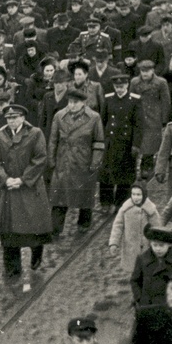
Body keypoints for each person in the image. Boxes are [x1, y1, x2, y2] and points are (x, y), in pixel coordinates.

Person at [0, 103, 53, 278]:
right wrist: (5, 179)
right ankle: (12, 267)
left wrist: (23, 180)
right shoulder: (1, 136)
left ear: (23, 118)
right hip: (9, 189)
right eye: (9, 118)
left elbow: (40, 158)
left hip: (29, 188)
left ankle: (36, 251)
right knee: (9, 232)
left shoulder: (35, 134)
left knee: (33, 227)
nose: (12, 121)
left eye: (15, 117)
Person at [48, 88, 104, 234]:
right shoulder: (59, 116)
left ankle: (84, 222)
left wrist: (94, 163)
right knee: (59, 197)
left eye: (75, 102)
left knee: (85, 195)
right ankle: (55, 228)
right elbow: (53, 140)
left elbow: (98, 142)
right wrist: (52, 160)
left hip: (83, 162)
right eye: (70, 102)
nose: (72, 105)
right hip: (63, 162)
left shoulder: (93, 117)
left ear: (83, 102)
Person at [99, 74, 143, 208]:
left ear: (127, 85)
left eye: (122, 86)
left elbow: (138, 125)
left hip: (126, 143)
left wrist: (135, 144)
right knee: (106, 174)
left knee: (125, 175)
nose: (119, 89)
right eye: (117, 87)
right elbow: (103, 120)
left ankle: (121, 202)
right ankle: (106, 202)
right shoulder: (108, 99)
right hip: (110, 142)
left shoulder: (134, 100)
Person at [130, 225, 172, 309]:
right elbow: (135, 280)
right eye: (155, 245)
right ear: (150, 243)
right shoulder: (142, 258)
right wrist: (139, 298)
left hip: (169, 305)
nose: (158, 249)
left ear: (169, 245)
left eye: (161, 245)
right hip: (147, 304)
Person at [108, 183, 161, 277]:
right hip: (130, 246)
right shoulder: (125, 209)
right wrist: (114, 243)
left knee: (147, 269)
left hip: (146, 246)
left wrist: (157, 243)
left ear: (144, 195)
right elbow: (117, 226)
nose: (136, 197)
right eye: (133, 194)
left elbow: (157, 227)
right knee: (133, 269)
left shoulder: (150, 210)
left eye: (139, 195)